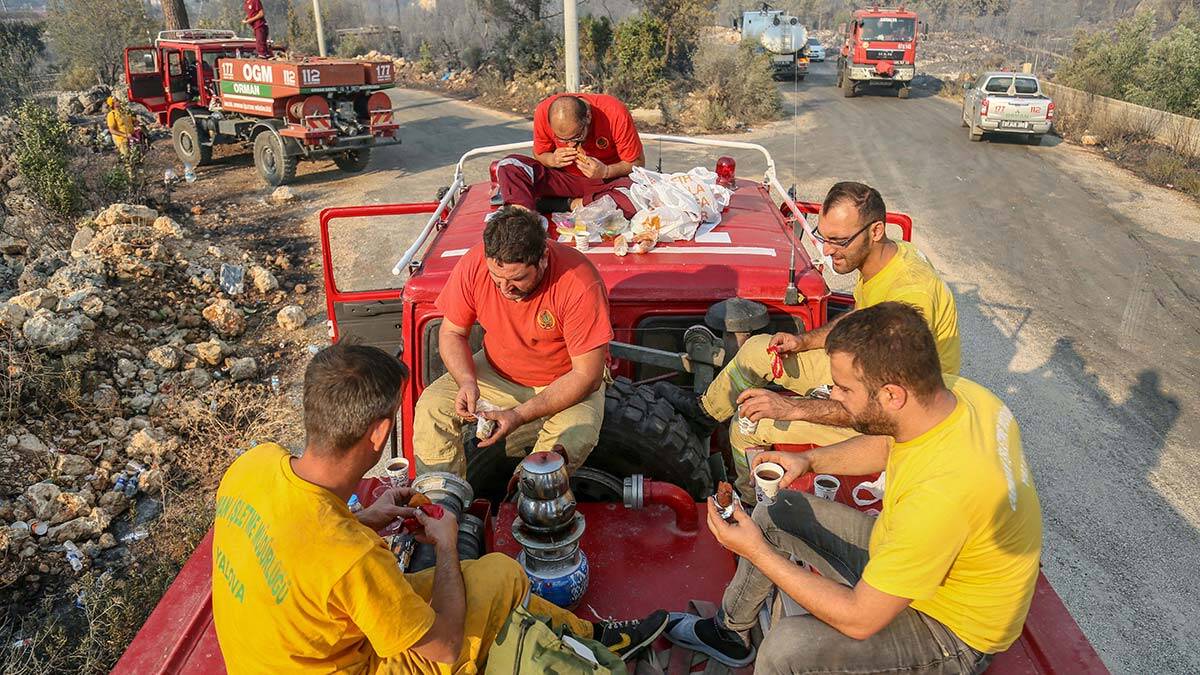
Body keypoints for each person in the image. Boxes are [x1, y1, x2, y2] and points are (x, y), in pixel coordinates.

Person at [212, 342, 667, 673]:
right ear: (380, 433)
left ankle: (585, 638)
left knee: (496, 576)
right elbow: (445, 646)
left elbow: (296, 541)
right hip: (357, 665)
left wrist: (364, 518)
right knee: (499, 578)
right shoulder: (351, 558)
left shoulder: (253, 465)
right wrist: (447, 546)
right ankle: (596, 642)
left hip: (271, 654)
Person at [666, 302, 1042, 674]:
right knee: (777, 511)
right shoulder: (965, 398)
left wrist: (756, 552)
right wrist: (808, 460)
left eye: (844, 388)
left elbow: (859, 618)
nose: (833, 395)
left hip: (950, 630)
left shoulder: (941, 497)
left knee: (786, 650)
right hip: (911, 559)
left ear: (892, 395)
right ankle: (730, 633)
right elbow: (888, 443)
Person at [657, 181, 960, 497]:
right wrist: (802, 342)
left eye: (839, 241)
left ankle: (751, 505)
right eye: (824, 237)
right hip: (868, 368)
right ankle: (705, 414)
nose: (826, 251)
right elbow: (859, 317)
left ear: (876, 231)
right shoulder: (886, 260)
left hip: (897, 415)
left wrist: (790, 408)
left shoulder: (910, 294)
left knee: (748, 424)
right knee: (758, 350)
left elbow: (879, 407)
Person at [413, 205, 611, 476]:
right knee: (431, 408)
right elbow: (452, 333)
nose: (506, 289)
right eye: (497, 279)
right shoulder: (474, 263)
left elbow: (587, 376)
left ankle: (524, 496)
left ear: (543, 258)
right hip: (496, 372)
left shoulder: (579, 282)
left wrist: (518, 416)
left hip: (566, 380)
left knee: (564, 449)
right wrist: (466, 381)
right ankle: (441, 498)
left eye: (518, 279)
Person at [495, 93, 645, 219]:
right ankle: (523, 221)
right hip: (565, 180)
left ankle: (566, 204)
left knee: (638, 194)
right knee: (509, 165)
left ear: (588, 117)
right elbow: (539, 153)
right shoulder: (543, 111)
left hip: (606, 182)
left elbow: (637, 163)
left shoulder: (613, 111)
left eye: (576, 137)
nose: (570, 145)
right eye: (562, 140)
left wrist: (606, 171)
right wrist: (552, 159)